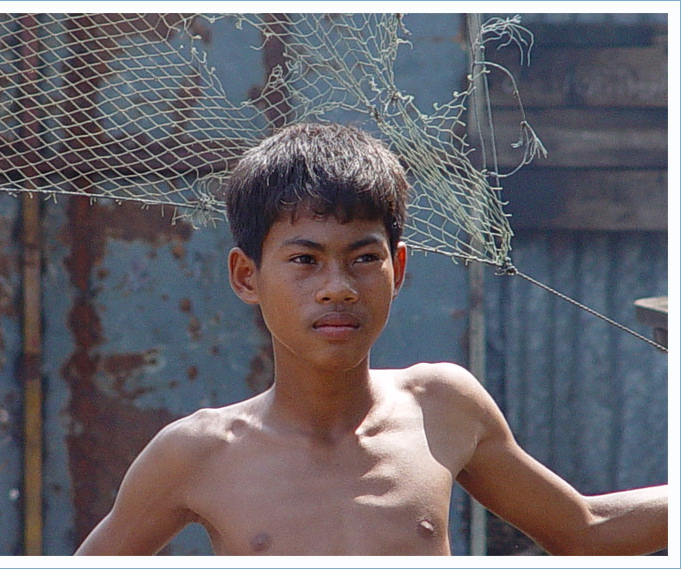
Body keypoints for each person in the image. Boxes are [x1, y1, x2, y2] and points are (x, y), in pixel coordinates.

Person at [74, 122, 667, 556]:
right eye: (305, 260)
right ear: (246, 276)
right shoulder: (198, 451)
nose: (337, 288)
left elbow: (587, 530)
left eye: (363, 258)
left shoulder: (443, 405)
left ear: (398, 270)